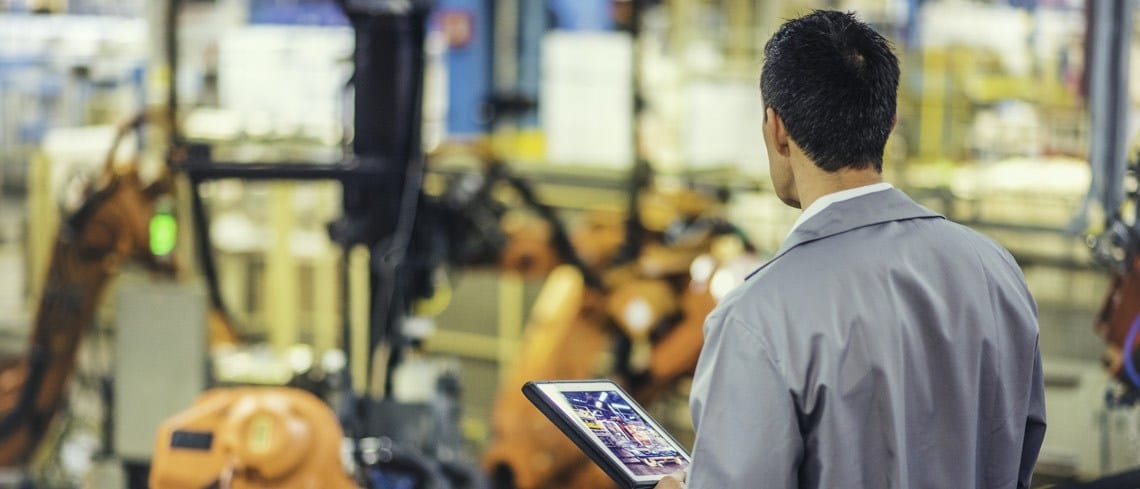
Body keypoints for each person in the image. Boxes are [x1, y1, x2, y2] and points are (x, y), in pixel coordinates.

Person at [655, 10, 1045, 489]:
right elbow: (1019, 454)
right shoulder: (995, 270)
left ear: (776, 129)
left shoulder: (758, 318)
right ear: (890, 122)